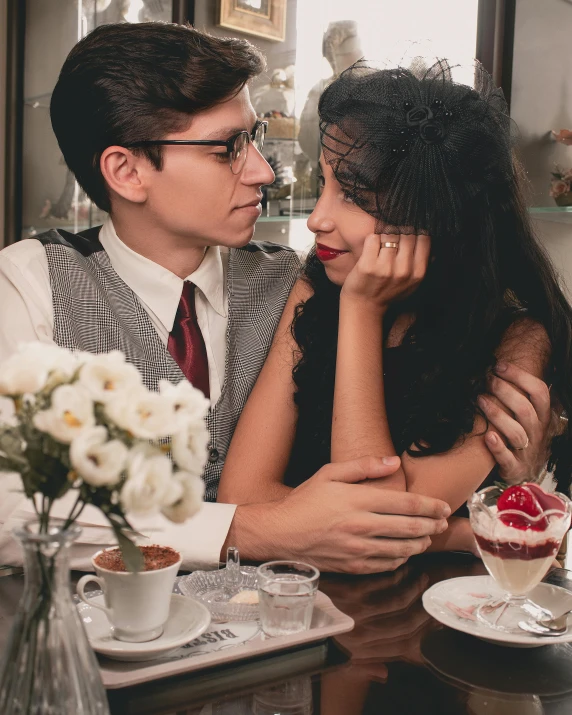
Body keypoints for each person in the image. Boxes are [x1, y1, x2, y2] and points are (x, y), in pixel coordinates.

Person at [0, 26, 552, 573]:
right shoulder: (30, 284)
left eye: (256, 136)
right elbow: (8, 512)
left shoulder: (299, 280)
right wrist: (260, 531)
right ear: (126, 170)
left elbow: (393, 474)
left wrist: (512, 483)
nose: (265, 171)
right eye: (227, 149)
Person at [217, 59, 572, 555]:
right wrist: (458, 536)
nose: (317, 219)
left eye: (354, 196)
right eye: (324, 185)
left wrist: (361, 309)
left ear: (434, 212)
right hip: (294, 602)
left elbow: (377, 525)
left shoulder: (518, 336)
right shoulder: (316, 286)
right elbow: (241, 496)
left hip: (426, 620)